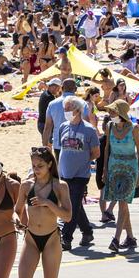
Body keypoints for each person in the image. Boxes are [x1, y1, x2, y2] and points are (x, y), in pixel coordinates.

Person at [13, 147, 72, 278]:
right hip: (31, 238)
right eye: (33, 166)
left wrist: (48, 203)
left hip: (51, 240)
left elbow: (67, 215)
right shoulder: (26, 185)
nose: (36, 169)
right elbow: (17, 210)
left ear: (49, 165)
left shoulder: (60, 186)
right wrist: (17, 221)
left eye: (40, 166)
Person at [58, 96, 100, 250]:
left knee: (73, 206)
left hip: (81, 174)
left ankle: (66, 238)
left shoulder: (89, 129)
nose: (66, 112)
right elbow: (59, 148)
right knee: (75, 206)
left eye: (68, 109)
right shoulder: (63, 126)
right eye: (65, 109)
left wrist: (83, 160)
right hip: (64, 173)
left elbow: (96, 152)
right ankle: (87, 231)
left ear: (77, 110)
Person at [103, 100, 139, 252]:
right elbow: (107, 148)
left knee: (122, 202)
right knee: (123, 203)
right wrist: (105, 169)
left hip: (129, 169)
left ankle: (116, 239)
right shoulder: (110, 126)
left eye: (113, 112)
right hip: (114, 168)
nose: (110, 114)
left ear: (121, 113)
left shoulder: (134, 129)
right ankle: (131, 238)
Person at [42, 79, 89, 160]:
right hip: (77, 142)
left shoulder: (53, 104)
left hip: (58, 143)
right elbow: (86, 125)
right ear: (75, 89)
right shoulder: (82, 103)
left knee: (61, 169)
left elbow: (47, 127)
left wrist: (45, 146)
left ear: (62, 88)